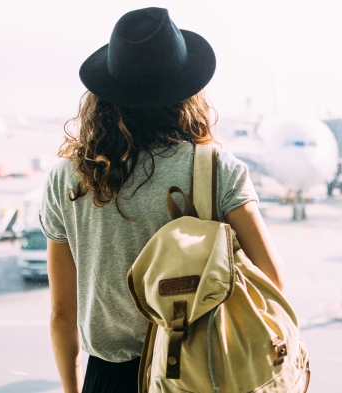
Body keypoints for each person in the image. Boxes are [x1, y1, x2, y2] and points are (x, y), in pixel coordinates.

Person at [39, 7, 285, 393]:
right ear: (187, 90)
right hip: (202, 368)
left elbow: (61, 313)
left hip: (108, 377)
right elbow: (272, 281)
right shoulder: (218, 167)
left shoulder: (67, 178)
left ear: (105, 95)